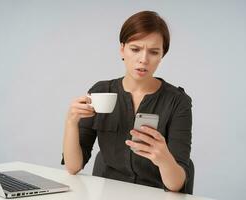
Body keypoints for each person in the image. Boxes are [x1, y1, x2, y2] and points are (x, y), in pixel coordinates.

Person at [62, 10, 192, 193]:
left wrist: (163, 158)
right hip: (107, 193)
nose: (144, 60)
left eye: (154, 52)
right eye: (135, 49)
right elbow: (73, 167)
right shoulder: (100, 91)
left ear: (162, 56)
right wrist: (71, 122)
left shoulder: (178, 102)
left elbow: (177, 184)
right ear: (122, 49)